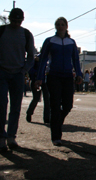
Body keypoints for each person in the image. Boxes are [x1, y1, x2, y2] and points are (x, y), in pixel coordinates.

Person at [35, 17, 82, 146]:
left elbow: (76, 60)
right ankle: (56, 136)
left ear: (66, 26)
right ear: (55, 26)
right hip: (53, 76)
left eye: (62, 24)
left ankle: (56, 123)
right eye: (58, 24)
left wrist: (79, 74)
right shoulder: (50, 41)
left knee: (68, 105)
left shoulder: (71, 42)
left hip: (67, 76)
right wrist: (39, 77)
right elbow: (43, 59)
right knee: (55, 105)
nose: (60, 26)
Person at [0, 8, 35, 151]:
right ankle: (1, 138)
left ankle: (11, 137)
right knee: (1, 105)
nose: (16, 23)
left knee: (16, 107)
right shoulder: (1, 31)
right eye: (13, 21)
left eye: (18, 21)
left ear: (22, 20)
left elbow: (32, 56)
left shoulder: (26, 34)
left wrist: (23, 70)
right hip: (1, 73)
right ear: (9, 19)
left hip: (17, 74)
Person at [26, 54, 51, 124]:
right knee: (36, 98)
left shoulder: (48, 59)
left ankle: (47, 118)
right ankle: (29, 113)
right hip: (35, 81)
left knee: (47, 100)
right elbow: (30, 70)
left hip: (45, 81)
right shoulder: (36, 60)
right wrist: (37, 74)